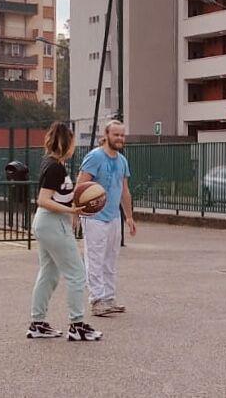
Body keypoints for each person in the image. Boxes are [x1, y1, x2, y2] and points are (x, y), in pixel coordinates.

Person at [27, 122, 105, 342]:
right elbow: (43, 200)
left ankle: (37, 323)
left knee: (49, 273)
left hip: (46, 223)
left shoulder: (51, 163)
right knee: (77, 273)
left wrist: (74, 209)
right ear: (67, 143)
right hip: (52, 222)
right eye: (72, 141)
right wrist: (72, 210)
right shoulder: (55, 167)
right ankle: (77, 325)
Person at [77, 120, 137, 317]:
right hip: (94, 217)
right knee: (95, 259)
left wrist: (129, 216)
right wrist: (76, 213)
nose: (119, 138)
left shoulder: (122, 160)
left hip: (113, 217)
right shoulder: (94, 157)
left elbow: (124, 191)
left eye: (122, 135)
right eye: (116, 135)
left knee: (111, 259)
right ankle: (97, 300)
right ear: (107, 135)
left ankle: (109, 298)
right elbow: (81, 185)